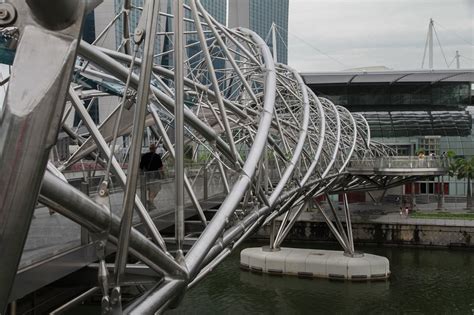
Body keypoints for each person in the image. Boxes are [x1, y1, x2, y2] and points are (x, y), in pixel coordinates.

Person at [140, 143, 164, 210]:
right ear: (155, 149)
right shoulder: (157, 156)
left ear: (149, 149)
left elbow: (141, 167)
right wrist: (163, 174)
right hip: (155, 176)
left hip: (147, 176)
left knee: (150, 190)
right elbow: (161, 167)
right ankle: (150, 202)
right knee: (156, 189)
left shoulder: (144, 156)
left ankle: (151, 202)